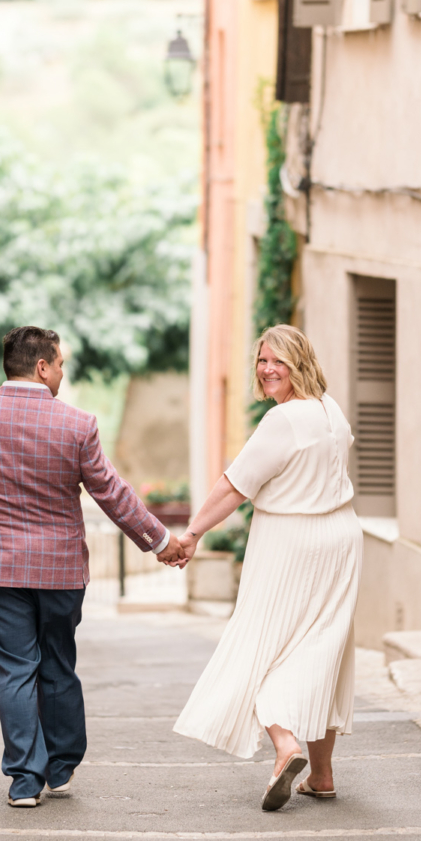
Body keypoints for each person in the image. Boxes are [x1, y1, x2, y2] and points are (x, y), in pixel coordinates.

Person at [0, 325, 183, 807]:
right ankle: (61, 766)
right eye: (60, 364)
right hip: (60, 570)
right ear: (42, 367)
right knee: (58, 661)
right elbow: (111, 493)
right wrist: (160, 540)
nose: (63, 372)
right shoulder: (77, 424)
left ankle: (26, 778)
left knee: (14, 669)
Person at [173, 324, 362, 811]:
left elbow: (235, 486)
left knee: (264, 644)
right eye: (262, 361)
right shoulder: (331, 410)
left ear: (300, 363)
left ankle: (285, 746)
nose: (268, 369)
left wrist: (192, 533)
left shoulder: (283, 420)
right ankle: (321, 776)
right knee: (325, 647)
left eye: (278, 360)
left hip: (291, 543)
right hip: (340, 538)